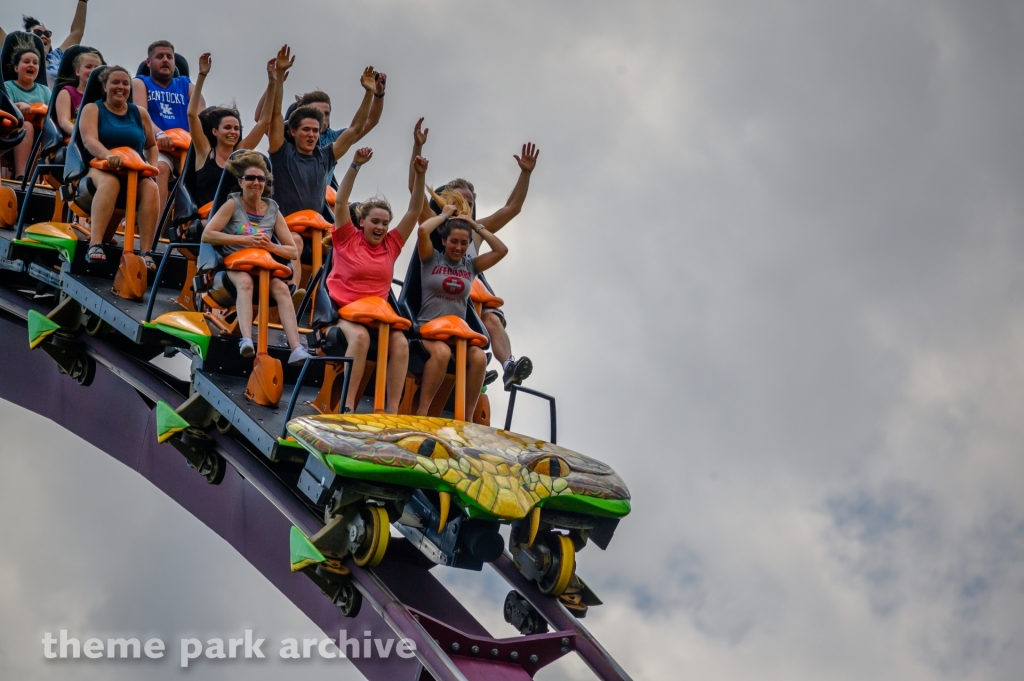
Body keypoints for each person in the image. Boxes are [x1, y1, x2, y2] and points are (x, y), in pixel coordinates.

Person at [410, 119, 540, 390]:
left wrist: (525, 174)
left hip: (468, 287)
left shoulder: (477, 231)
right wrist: (417, 148)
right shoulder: (436, 222)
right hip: (439, 292)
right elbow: (415, 192)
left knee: (491, 316)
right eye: (458, 200)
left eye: (469, 203)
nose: (464, 206)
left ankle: (508, 366)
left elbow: (511, 209)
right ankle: (470, 373)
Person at [325, 137, 428, 414]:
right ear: (362, 222)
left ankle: (391, 411)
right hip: (345, 313)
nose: (381, 227)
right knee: (360, 340)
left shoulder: (391, 245)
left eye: (385, 223)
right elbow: (341, 201)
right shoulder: (348, 238)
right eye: (375, 221)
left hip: (380, 317)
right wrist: (355, 165)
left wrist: (420, 176)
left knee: (401, 343)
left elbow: (415, 211)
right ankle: (348, 405)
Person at [267, 47, 376, 290]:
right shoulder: (282, 153)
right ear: (293, 132)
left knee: (345, 248)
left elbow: (356, 129)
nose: (312, 135)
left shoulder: (325, 156)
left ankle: (334, 307)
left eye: (316, 130)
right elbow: (274, 115)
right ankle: (292, 291)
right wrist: (277, 80)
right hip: (283, 227)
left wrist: (369, 93)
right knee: (294, 241)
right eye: (306, 130)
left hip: (317, 230)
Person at [200, 151, 311, 366]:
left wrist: (270, 246)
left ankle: (296, 347)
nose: (256, 183)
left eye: (261, 179)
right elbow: (208, 235)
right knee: (245, 282)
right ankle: (246, 339)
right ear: (241, 182)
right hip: (235, 263)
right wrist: (247, 240)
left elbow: (292, 251)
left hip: (264, 266)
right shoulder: (233, 204)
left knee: (281, 289)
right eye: (250, 178)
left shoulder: (273, 210)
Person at [414, 201, 508, 418]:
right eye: (453, 241)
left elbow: (501, 250)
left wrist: (475, 225)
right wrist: (444, 216)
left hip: (458, 336)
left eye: (464, 243)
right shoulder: (431, 259)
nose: (458, 247)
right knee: (442, 352)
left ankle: (465, 419)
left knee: (479, 357)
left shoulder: (470, 266)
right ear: (444, 241)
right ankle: (422, 412)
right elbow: (422, 230)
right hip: (428, 331)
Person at [77, 66, 159, 268]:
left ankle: (146, 251)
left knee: (151, 188)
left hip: (134, 170)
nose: (120, 87)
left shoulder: (139, 113)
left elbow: (151, 145)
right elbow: (89, 141)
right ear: (104, 86)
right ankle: (95, 244)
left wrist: (152, 167)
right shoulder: (93, 109)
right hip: (102, 167)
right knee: (110, 182)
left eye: (125, 83)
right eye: (115, 82)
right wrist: (108, 155)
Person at [187, 51, 278, 208]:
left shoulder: (239, 154)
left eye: (236, 128)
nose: (233, 132)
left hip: (236, 222)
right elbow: (191, 115)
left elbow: (264, 121)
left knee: (262, 229)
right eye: (227, 127)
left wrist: (272, 82)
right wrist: (202, 75)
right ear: (215, 131)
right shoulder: (204, 152)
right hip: (208, 221)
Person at [253, 72, 386, 176]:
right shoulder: (287, 134)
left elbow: (368, 122)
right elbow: (261, 119)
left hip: (318, 199)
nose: (321, 118)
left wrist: (377, 94)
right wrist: (273, 83)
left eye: (326, 114)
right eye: (317, 112)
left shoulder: (332, 139)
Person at [132, 40, 205, 211]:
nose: (165, 60)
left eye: (169, 57)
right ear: (148, 62)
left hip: (185, 149)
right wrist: (159, 135)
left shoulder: (186, 85)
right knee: (160, 169)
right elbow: (142, 115)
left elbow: (202, 117)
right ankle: (155, 231)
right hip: (156, 146)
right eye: (160, 56)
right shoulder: (140, 83)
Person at [0, 3, 90, 87]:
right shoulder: (16, 52)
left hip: (56, 102)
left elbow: (77, 32)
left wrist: (83, 1)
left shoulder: (56, 56)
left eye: (47, 33)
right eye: (38, 33)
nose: (43, 36)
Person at [4, 45, 51, 179]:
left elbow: (51, 113)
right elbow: (6, 107)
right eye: (26, 62)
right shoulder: (8, 86)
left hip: (39, 134)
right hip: (11, 133)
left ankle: (31, 181)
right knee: (27, 126)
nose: (31, 65)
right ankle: (21, 175)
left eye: (35, 63)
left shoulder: (44, 90)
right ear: (16, 68)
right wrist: (18, 105)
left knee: (43, 136)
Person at [54, 49, 103, 136]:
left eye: (96, 68)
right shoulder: (67, 92)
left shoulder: (102, 99)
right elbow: (64, 122)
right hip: (72, 141)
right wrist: (82, 136)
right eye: (88, 67)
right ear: (77, 72)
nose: (93, 71)